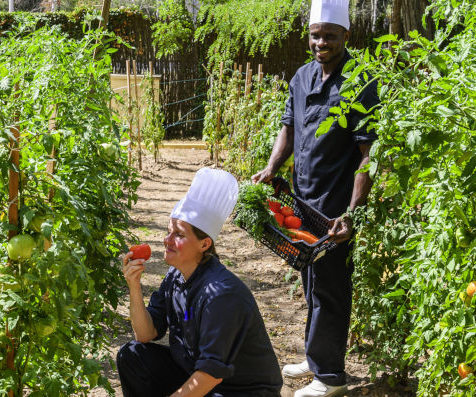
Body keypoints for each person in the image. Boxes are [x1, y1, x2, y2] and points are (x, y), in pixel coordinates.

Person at [250, 0, 379, 396]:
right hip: (301, 201)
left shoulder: (361, 81)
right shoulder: (302, 77)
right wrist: (272, 167)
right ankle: (315, 355)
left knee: (331, 287)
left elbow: (368, 153)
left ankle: (329, 378)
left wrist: (352, 214)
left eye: (329, 35)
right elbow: (288, 128)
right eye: (315, 34)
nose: (320, 42)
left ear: (346, 36)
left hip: (334, 208)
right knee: (310, 280)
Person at [116, 168, 283, 397]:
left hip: (239, 391)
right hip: (197, 374)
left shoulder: (221, 294)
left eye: (179, 235)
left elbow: (211, 373)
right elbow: (145, 335)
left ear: (205, 244)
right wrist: (134, 287)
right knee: (132, 355)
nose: (167, 240)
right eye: (168, 231)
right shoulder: (175, 277)